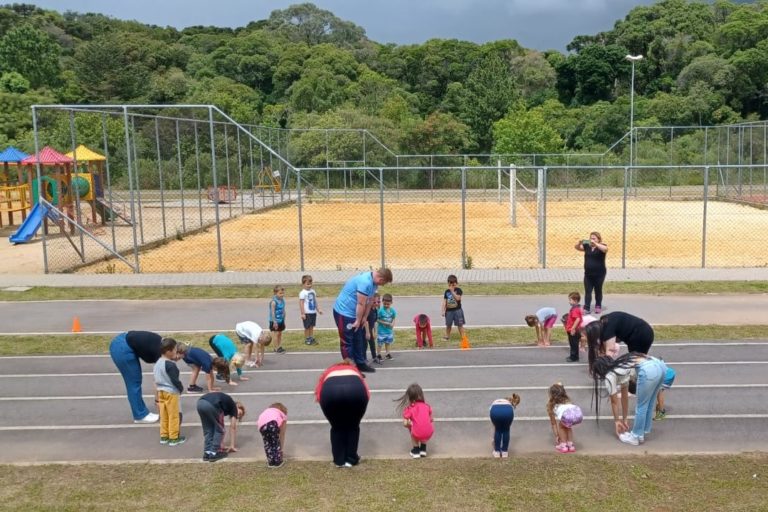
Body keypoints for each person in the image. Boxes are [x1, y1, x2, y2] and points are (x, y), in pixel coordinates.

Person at [591, 353, 667, 446]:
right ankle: (640, 434)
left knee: (641, 406)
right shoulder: (620, 365)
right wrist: (625, 418)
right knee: (649, 403)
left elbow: (614, 402)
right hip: (660, 365)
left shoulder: (609, 376)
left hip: (649, 369)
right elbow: (624, 397)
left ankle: (635, 436)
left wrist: (617, 421)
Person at [333, 268, 393, 373]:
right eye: (384, 283)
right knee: (348, 341)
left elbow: (369, 302)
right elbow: (360, 303)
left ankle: (360, 364)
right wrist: (357, 320)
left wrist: (364, 318)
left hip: (355, 313)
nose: (383, 285)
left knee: (358, 339)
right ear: (381, 278)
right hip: (344, 312)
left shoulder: (374, 284)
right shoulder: (365, 282)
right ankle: (350, 368)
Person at [315, 360, 371, 468]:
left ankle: (339, 460)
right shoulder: (355, 371)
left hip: (329, 392)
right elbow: (367, 392)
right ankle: (351, 459)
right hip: (356, 391)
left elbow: (318, 393)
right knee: (353, 426)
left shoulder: (328, 371)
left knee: (336, 427)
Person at [109, 330, 163, 423]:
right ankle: (140, 415)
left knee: (135, 381)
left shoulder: (164, 346)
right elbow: (158, 381)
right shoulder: (160, 355)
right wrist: (158, 402)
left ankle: (141, 411)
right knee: (133, 382)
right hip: (122, 347)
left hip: (125, 341)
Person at [583, 311, 655, 375]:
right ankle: (648, 374)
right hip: (640, 331)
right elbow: (604, 350)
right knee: (638, 360)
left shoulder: (607, 330)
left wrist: (607, 373)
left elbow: (609, 353)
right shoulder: (604, 322)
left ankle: (647, 376)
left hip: (641, 333)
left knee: (638, 361)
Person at [153, 337, 185, 446]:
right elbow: (175, 380)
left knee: (164, 415)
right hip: (171, 392)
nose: (176, 352)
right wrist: (181, 388)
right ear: (168, 351)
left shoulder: (157, 363)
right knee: (173, 415)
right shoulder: (170, 365)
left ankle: (164, 436)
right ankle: (173, 437)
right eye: (175, 350)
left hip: (160, 391)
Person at [196, 392, 245, 462]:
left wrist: (221, 444)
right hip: (212, 405)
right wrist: (232, 445)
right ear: (238, 406)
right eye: (239, 413)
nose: (238, 416)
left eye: (239, 416)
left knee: (209, 429)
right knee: (220, 430)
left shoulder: (226, 404)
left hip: (200, 403)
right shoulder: (233, 407)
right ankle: (214, 453)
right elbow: (233, 427)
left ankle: (207, 453)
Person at [395, 383, 434, 458]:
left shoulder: (410, 408)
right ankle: (423, 450)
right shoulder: (427, 406)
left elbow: (405, 423)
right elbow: (431, 419)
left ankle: (416, 451)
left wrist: (409, 424)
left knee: (414, 431)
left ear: (410, 397)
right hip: (429, 432)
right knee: (423, 428)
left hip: (417, 432)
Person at [575, 231, 608, 314]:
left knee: (598, 290)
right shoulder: (587, 246)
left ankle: (598, 306)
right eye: (591, 238)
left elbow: (605, 249)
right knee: (588, 291)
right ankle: (587, 308)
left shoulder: (602, 246)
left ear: (598, 239)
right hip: (588, 274)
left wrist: (596, 244)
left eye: (594, 238)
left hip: (599, 274)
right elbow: (577, 248)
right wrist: (579, 243)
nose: (592, 240)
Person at [546, 382, 583, 453]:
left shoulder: (551, 405)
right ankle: (570, 445)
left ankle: (563, 445)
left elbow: (553, 424)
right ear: (563, 393)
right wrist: (560, 386)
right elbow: (560, 386)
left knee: (561, 426)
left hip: (567, 415)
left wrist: (557, 435)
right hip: (578, 413)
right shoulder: (567, 399)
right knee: (568, 426)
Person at [489, 393, 521, 458]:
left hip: (495, 410)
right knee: (506, 430)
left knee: (498, 430)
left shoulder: (496, 401)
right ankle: (505, 452)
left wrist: (494, 440)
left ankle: (497, 452)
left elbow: (494, 427)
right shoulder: (510, 406)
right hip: (508, 412)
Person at [257, 402, 288, 468]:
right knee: (275, 443)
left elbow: (260, 420)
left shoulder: (267, 411)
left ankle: (271, 462)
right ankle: (277, 462)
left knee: (267, 443)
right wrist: (281, 449)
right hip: (272, 423)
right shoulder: (282, 414)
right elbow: (282, 433)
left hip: (261, 425)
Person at [299, 274, 322, 346]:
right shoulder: (302, 293)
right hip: (307, 313)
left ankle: (311, 338)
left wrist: (318, 309)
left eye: (310, 284)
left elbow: (315, 301)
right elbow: (301, 304)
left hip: (313, 312)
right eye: (307, 284)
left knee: (312, 326)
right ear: (303, 284)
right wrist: (303, 313)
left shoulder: (313, 291)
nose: (309, 285)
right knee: (307, 327)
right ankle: (307, 339)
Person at [441, 275, 466, 342]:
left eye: (454, 283)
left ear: (456, 283)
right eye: (450, 283)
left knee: (460, 324)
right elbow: (444, 301)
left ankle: (463, 337)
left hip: (458, 311)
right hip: (449, 311)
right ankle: (447, 336)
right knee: (448, 325)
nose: (452, 284)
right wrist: (443, 310)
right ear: (448, 283)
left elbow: (458, 298)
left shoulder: (458, 290)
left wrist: (452, 291)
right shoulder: (446, 291)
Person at [376, 293, 397, 360]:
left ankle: (387, 354)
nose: (386, 305)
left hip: (389, 331)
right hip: (381, 331)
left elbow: (393, 318)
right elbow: (377, 319)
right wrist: (384, 323)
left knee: (388, 343)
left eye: (388, 304)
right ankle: (378, 354)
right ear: (382, 302)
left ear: (391, 303)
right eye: (384, 304)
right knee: (380, 344)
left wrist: (393, 324)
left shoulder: (392, 311)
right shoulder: (380, 311)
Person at [564, 292, 584, 362]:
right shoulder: (575, 308)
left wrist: (573, 328)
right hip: (572, 329)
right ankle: (573, 356)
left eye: (570, 300)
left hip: (573, 330)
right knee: (573, 343)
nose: (569, 301)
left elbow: (577, 319)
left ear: (575, 301)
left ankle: (574, 357)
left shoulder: (575, 309)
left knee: (573, 344)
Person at [269, 285, 287, 353]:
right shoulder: (273, 302)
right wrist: (274, 322)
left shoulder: (282, 300)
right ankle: (276, 348)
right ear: (275, 293)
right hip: (275, 321)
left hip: (281, 320)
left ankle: (279, 346)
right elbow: (272, 313)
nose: (282, 295)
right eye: (280, 293)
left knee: (280, 333)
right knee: (276, 334)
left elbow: (283, 310)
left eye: (283, 293)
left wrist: (284, 319)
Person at [365, 293, 380, 364]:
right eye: (374, 302)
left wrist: (375, 332)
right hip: (365, 329)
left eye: (378, 302)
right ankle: (363, 359)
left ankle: (374, 357)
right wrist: (367, 333)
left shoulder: (375, 310)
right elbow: (366, 321)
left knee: (372, 344)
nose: (376, 303)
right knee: (364, 344)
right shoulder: (368, 310)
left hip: (370, 329)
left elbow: (374, 322)